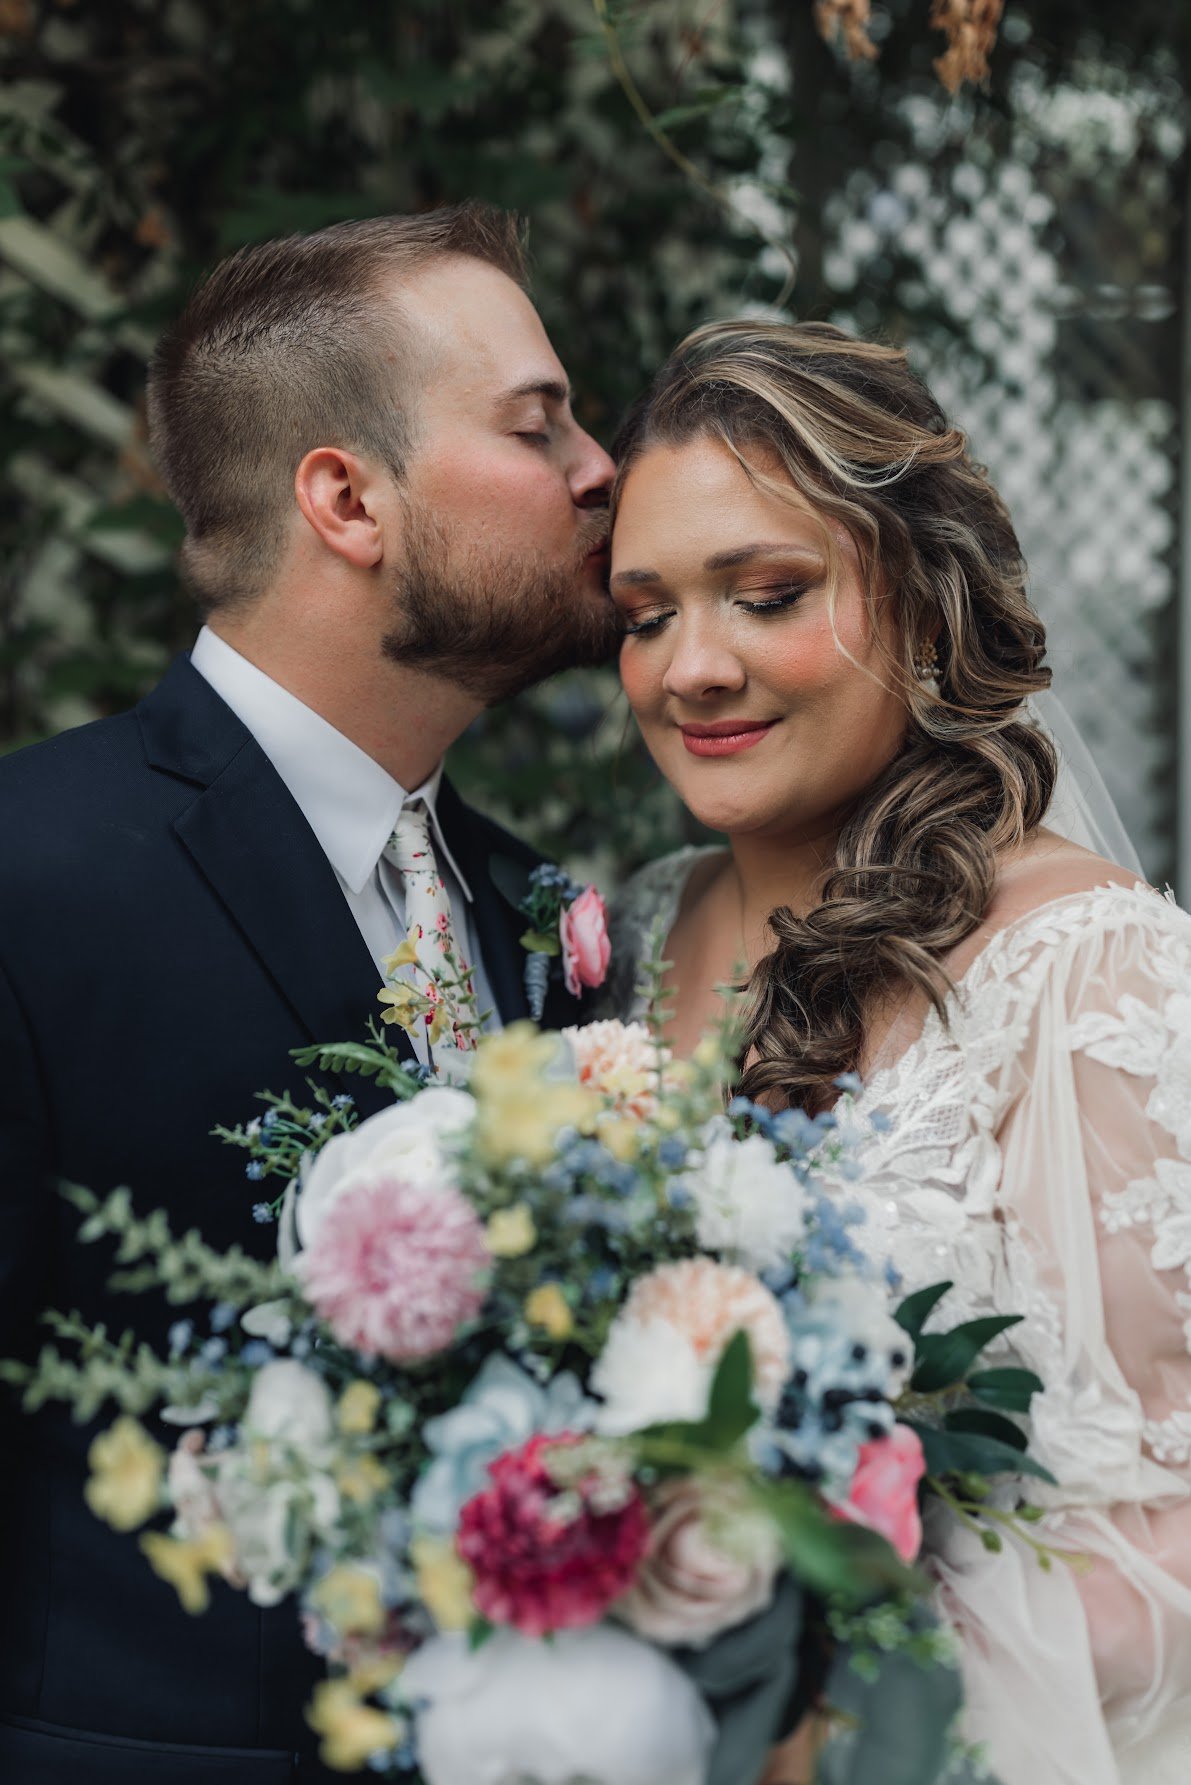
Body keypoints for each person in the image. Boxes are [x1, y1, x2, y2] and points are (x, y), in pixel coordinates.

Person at [0, 203, 618, 1784]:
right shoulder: (33, 873)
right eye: (537, 423)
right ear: (345, 496)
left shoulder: (528, 905)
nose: (599, 468)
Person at [605, 318, 1191, 1784]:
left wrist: (831, 1684)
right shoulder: (632, 931)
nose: (694, 668)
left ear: (923, 608)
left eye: (767, 593)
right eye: (645, 612)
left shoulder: (1091, 969)